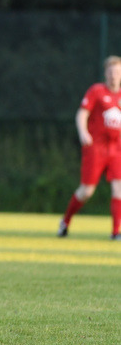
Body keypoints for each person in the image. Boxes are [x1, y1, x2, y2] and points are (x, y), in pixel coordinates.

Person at [58, 55, 121, 239]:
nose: (113, 76)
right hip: (96, 148)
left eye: (117, 72)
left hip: (116, 150)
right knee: (86, 191)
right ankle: (65, 222)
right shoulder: (96, 91)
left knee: (119, 188)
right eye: (110, 72)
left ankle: (116, 231)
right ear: (105, 74)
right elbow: (82, 113)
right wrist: (83, 132)